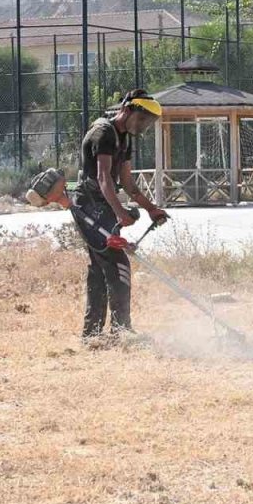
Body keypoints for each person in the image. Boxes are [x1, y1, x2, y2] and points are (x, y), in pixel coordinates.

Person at [70, 89, 168, 341]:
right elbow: (104, 178)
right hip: (89, 207)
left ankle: (91, 334)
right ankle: (121, 331)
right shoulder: (103, 134)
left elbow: (127, 183)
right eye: (142, 119)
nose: (144, 125)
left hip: (102, 206)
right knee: (117, 264)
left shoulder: (124, 138)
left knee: (100, 268)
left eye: (148, 121)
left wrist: (151, 209)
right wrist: (120, 212)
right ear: (127, 110)